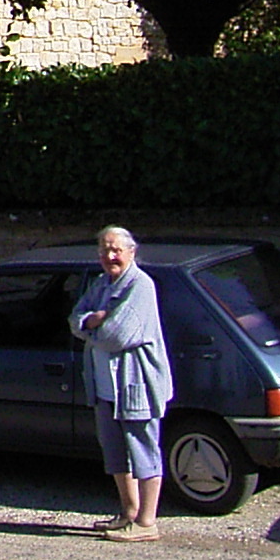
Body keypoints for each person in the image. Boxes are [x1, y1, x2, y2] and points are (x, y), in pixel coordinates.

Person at [71, 225, 174, 541]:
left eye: (116, 249)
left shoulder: (141, 286)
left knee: (143, 449)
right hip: (105, 388)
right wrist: (91, 320)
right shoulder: (101, 283)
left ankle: (146, 522)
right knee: (114, 451)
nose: (110, 255)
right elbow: (74, 318)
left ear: (132, 251)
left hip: (136, 384)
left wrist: (93, 325)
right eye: (104, 249)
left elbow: (119, 335)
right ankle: (128, 512)